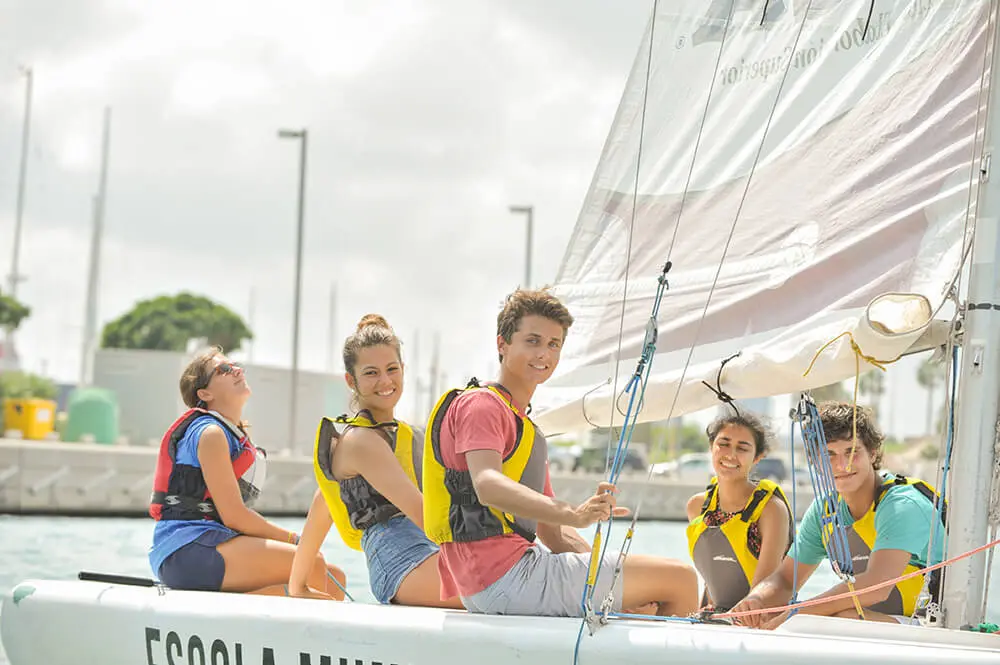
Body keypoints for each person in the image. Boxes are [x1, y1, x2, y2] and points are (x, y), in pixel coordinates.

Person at [421, 287, 700, 617]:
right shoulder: (482, 406)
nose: (544, 353)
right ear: (502, 344)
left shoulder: (526, 428)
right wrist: (573, 513)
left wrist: (608, 576)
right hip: (505, 578)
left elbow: (551, 532)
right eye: (533, 341)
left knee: (649, 600)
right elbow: (487, 484)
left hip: (503, 579)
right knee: (681, 579)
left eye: (554, 344)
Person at [290, 315, 463, 608]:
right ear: (351, 380)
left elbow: (324, 501)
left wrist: (298, 585)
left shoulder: (402, 437)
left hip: (428, 552)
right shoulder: (360, 441)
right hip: (401, 563)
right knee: (505, 588)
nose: (385, 381)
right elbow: (425, 515)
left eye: (392, 369)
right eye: (371, 373)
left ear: (403, 370)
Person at [148, 347, 346, 598]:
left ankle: (243, 608)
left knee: (335, 578)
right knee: (312, 565)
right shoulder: (210, 434)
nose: (236, 371)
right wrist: (295, 540)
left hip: (213, 542)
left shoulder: (230, 434)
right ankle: (237, 612)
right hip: (184, 551)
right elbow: (234, 516)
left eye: (236, 366)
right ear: (205, 393)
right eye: (224, 369)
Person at [729, 401, 945, 628]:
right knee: (786, 617)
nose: (842, 465)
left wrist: (794, 613)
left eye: (852, 452)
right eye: (829, 454)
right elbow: (785, 579)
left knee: (840, 618)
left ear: (872, 454)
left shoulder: (901, 505)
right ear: (816, 462)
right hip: (876, 624)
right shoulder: (825, 510)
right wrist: (756, 600)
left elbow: (876, 587)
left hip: (933, 626)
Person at [685, 411, 793, 612]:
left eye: (742, 448)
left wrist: (734, 619)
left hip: (760, 617)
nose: (730, 455)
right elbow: (712, 577)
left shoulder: (771, 510)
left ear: (757, 457)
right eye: (723, 444)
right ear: (711, 447)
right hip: (716, 618)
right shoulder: (698, 506)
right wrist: (702, 613)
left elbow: (764, 588)